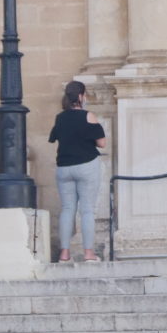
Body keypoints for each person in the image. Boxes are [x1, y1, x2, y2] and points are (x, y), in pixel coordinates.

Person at [48, 80, 106, 263]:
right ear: (81, 96)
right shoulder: (88, 116)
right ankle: (89, 253)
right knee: (87, 210)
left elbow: (54, 137)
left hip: (64, 168)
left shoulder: (60, 117)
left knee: (67, 209)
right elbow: (102, 142)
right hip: (86, 165)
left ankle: (64, 254)